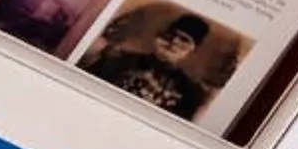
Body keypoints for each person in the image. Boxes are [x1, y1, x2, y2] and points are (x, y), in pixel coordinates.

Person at [83, 11, 213, 117]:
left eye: (184, 40)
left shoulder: (189, 91)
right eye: (171, 34)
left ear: (192, 52)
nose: (174, 41)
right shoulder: (121, 58)